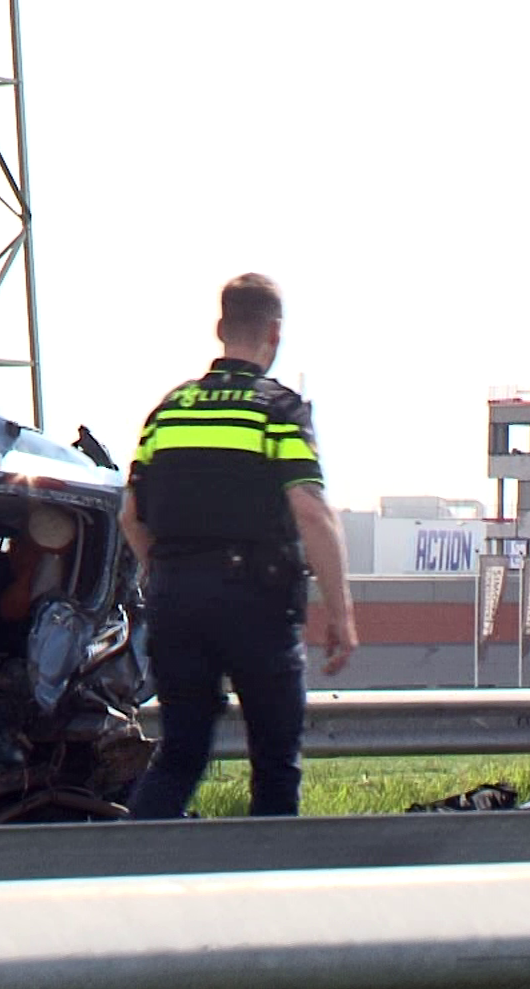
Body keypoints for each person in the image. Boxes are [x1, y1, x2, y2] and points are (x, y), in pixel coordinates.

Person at [119, 273, 357, 819]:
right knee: (275, 762)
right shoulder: (278, 409)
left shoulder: (170, 410)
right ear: (274, 334)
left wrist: (166, 572)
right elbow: (311, 512)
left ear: (220, 329)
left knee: (179, 757)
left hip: (175, 600)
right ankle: (267, 894)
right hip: (257, 601)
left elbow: (131, 515)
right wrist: (341, 614)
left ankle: (124, 879)